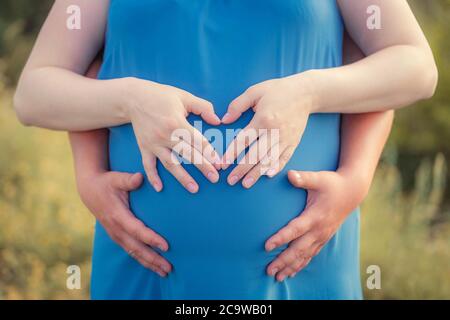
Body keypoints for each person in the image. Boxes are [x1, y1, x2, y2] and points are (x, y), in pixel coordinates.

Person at [14, 0, 437, 299]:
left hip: (303, 272)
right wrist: (130, 99)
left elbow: (412, 67)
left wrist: (310, 94)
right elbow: (35, 93)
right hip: (142, 275)